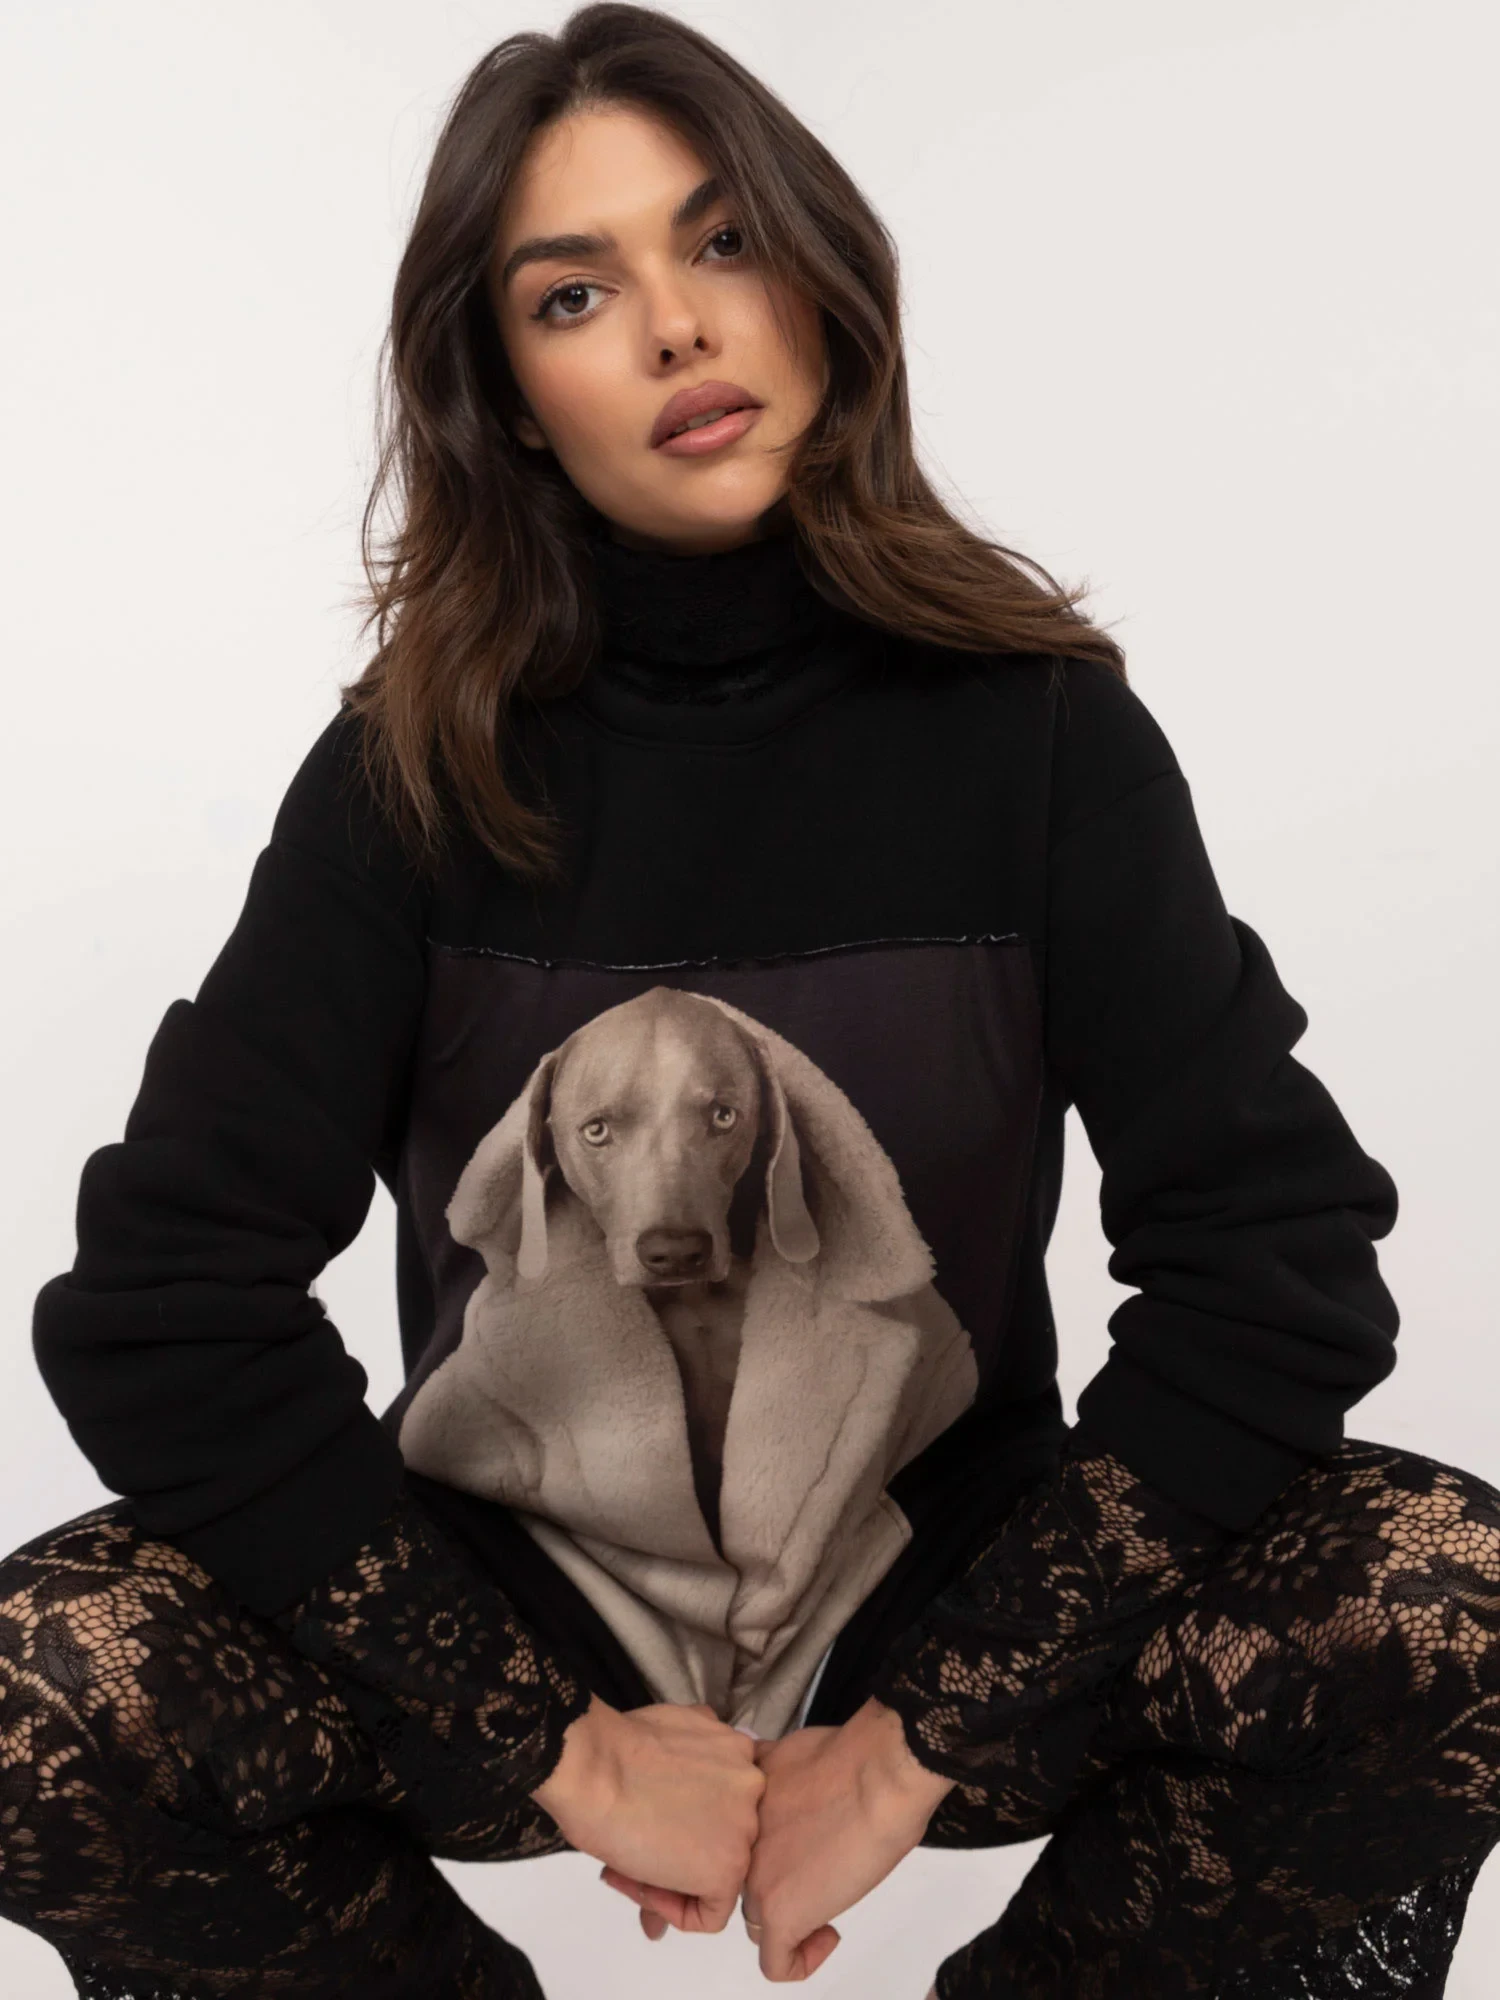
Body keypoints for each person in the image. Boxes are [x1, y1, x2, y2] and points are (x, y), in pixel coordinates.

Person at [3, 6, 1498, 1996]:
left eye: (720, 241)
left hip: (938, 1586)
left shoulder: (1042, 738)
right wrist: (558, 1744)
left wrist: (919, 1737)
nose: (678, 327)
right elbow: (165, 1311)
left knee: (1448, 1599)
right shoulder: (403, 777)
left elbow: (1276, 1267)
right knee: (38, 1684)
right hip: (508, 1604)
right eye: (574, 292)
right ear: (509, 396)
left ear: (820, 273)